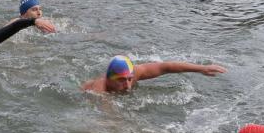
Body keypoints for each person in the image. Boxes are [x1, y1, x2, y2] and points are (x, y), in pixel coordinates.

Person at [81, 55, 227, 93]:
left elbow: (165, 67)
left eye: (129, 79)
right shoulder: (99, 90)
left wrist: (201, 69)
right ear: (108, 79)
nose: (127, 85)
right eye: (121, 80)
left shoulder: (136, 72)